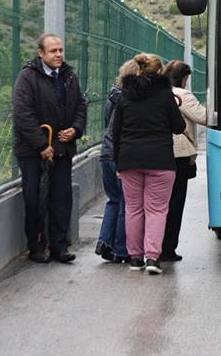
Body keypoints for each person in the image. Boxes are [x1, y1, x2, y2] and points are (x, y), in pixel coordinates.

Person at [12, 33, 87, 264]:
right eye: (53, 51)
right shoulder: (27, 77)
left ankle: (59, 246)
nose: (58, 55)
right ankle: (36, 246)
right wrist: (42, 145)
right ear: (40, 53)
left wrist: (75, 129)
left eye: (61, 50)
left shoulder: (68, 76)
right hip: (32, 152)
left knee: (61, 198)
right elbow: (23, 114)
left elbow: (81, 106)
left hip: (62, 149)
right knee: (34, 199)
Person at [113, 53, 185, 274]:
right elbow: (178, 127)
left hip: (129, 159)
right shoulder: (165, 96)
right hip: (160, 160)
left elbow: (116, 132)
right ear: (159, 72)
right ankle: (152, 258)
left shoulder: (125, 95)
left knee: (133, 209)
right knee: (157, 210)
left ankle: (135, 258)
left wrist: (118, 162)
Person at [161, 60, 207, 262]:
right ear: (183, 78)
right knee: (175, 203)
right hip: (179, 154)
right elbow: (203, 116)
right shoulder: (182, 94)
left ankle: (152, 245)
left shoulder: (159, 92)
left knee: (158, 204)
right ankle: (168, 248)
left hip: (159, 152)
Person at [94, 59, 139, 264]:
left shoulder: (112, 95)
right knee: (126, 203)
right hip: (121, 155)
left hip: (106, 152)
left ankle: (104, 241)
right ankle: (121, 249)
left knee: (113, 200)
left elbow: (108, 124)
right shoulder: (132, 99)